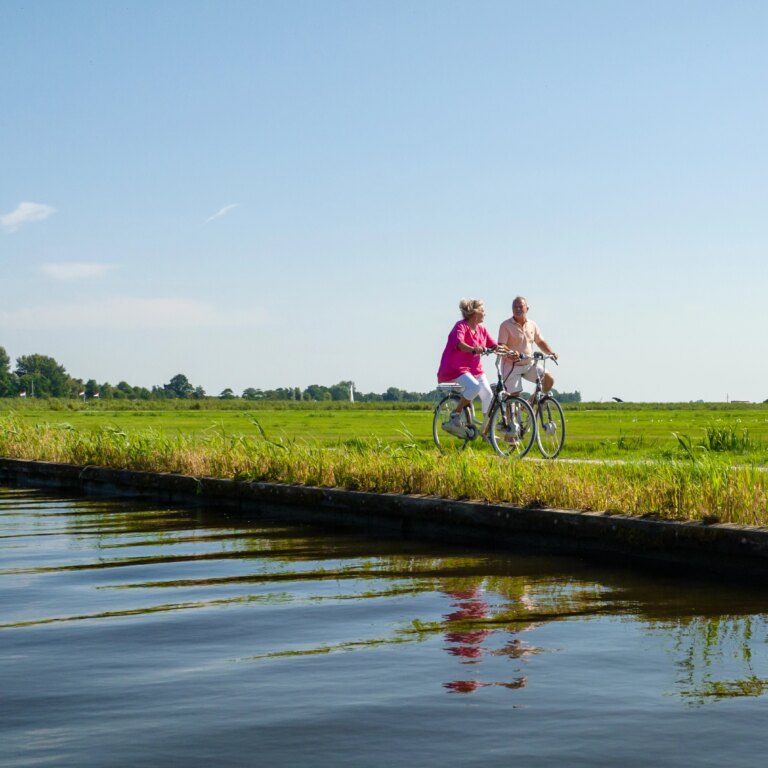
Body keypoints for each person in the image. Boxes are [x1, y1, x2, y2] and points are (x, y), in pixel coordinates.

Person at [437, 299, 508, 437]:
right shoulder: (461, 326)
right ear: (474, 313)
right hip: (457, 368)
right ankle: (455, 414)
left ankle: (487, 432)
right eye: (482, 310)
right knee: (474, 387)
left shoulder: (482, 330)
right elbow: (459, 343)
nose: (485, 313)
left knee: (488, 394)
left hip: (475, 370)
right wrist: (473, 349)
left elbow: (493, 345)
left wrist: (506, 350)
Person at [497, 296, 558, 396]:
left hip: (529, 365)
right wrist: (511, 353)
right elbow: (501, 346)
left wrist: (550, 353)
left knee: (549, 379)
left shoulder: (532, 324)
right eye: (515, 307)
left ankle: (530, 404)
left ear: (527, 309)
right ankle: (513, 408)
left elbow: (540, 341)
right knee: (513, 399)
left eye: (520, 307)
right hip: (511, 366)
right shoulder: (505, 325)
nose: (517, 309)